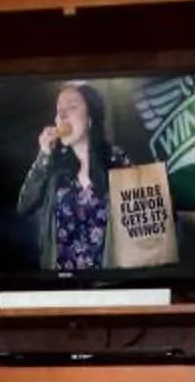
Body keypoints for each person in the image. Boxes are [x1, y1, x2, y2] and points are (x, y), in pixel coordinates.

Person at [13, 81, 131, 272]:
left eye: (72, 107)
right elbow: (24, 206)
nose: (62, 115)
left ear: (90, 118)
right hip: (62, 287)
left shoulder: (115, 158)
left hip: (108, 285)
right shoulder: (53, 166)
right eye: (59, 110)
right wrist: (44, 154)